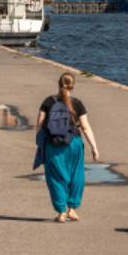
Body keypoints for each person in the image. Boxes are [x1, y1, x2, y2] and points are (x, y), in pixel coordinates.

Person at [33, 73, 100, 222]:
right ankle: (72, 209)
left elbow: (39, 126)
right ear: (73, 85)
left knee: (56, 177)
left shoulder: (48, 101)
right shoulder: (78, 103)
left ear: (58, 83)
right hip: (74, 142)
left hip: (53, 144)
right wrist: (94, 147)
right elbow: (85, 127)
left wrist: (40, 145)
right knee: (76, 175)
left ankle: (61, 212)